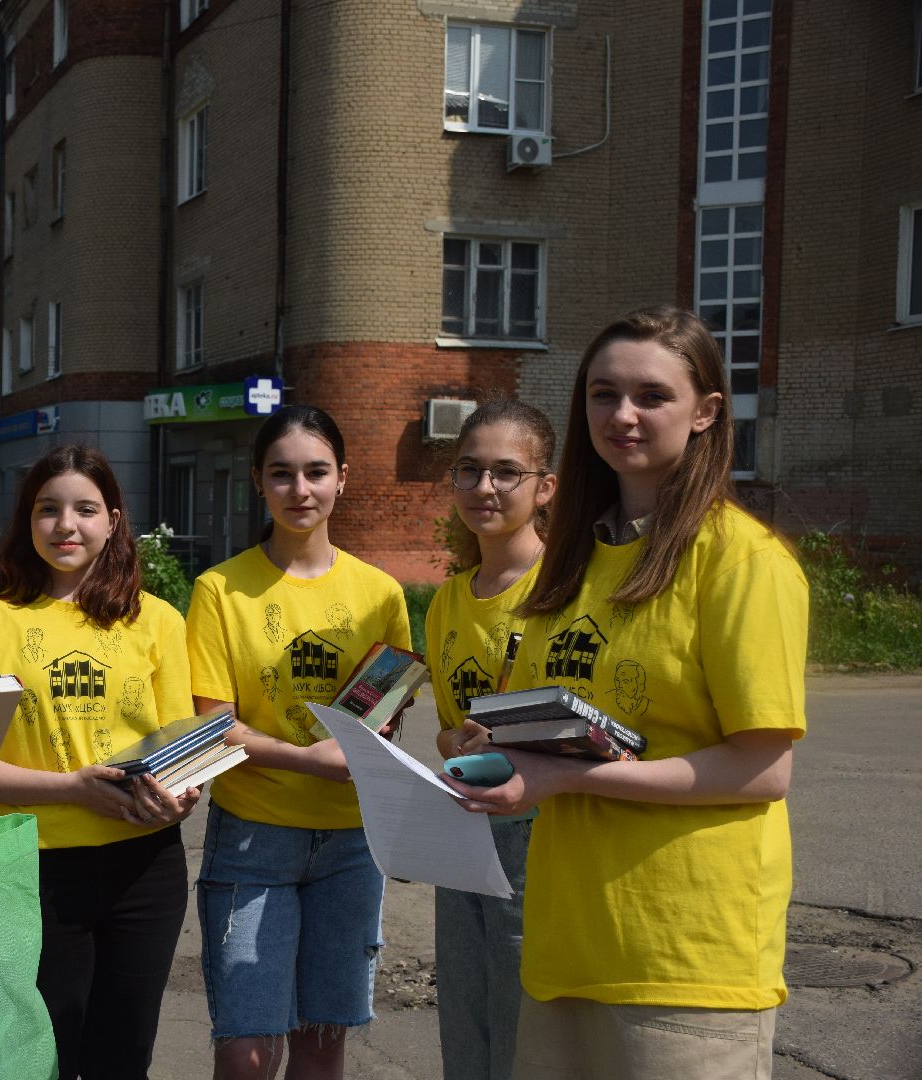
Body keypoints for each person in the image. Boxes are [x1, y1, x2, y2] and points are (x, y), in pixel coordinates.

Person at [446, 306, 807, 1079]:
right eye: (604, 394)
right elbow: (561, 729)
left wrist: (569, 775)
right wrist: (487, 760)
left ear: (707, 412)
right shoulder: (571, 564)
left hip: (683, 961)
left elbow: (763, 769)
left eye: (652, 395)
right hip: (563, 945)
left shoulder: (742, 562)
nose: (623, 415)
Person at [0, 444, 198, 1080]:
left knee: (124, 1053)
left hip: (146, 865)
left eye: (85, 509)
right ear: (28, 521)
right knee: (48, 1053)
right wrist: (71, 790)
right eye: (48, 509)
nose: (66, 525)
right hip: (36, 867)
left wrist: (183, 792)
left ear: (113, 521)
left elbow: (180, 748)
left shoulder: (157, 620)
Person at [186, 405, 413, 1080]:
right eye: (282, 474)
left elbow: (385, 710)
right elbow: (213, 724)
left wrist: (369, 744)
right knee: (247, 1050)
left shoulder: (381, 594)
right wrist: (306, 759)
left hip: (351, 845)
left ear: (343, 479)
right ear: (258, 481)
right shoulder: (220, 590)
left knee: (322, 1041)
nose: (300, 490)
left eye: (316, 472)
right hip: (254, 839)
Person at [425, 399, 557, 1080]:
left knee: (520, 1026)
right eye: (469, 470)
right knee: (466, 1017)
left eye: (507, 472)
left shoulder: (564, 589)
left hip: (541, 833)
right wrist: (456, 740)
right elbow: (450, 726)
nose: (484, 488)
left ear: (545, 486)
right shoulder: (449, 598)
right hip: (465, 827)